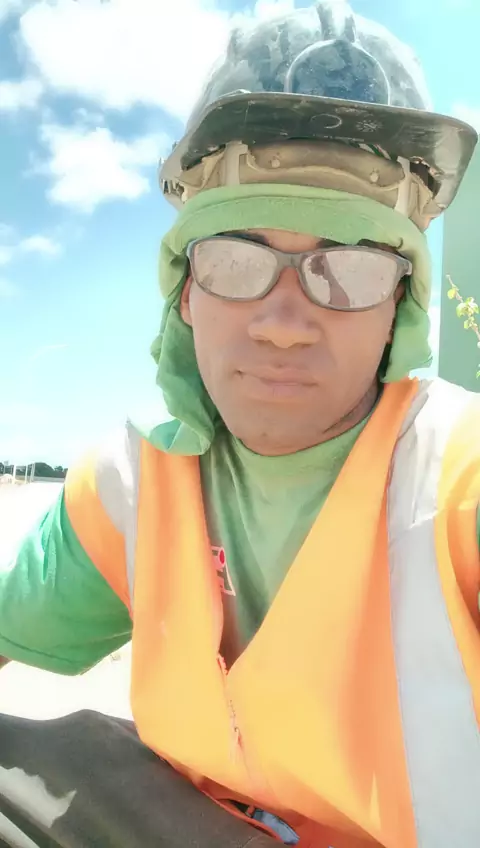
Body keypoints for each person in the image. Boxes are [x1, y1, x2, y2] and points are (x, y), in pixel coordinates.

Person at [0, 2, 479, 846]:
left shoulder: (460, 482)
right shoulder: (128, 488)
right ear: (185, 292)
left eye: (351, 268)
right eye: (234, 260)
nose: (284, 323)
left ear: (399, 309)